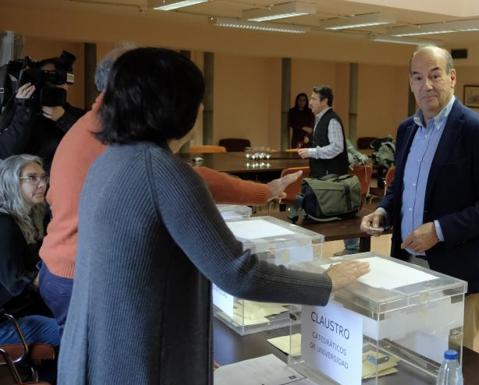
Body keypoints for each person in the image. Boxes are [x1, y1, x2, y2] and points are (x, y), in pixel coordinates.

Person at [57, 47, 369, 385]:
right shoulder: (165, 173)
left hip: (96, 358)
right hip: (138, 365)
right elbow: (238, 274)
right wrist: (326, 282)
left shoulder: (109, 161)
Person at [38, 47, 301, 332]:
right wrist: (264, 192)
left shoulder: (95, 126)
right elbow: (234, 269)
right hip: (82, 274)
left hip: (63, 266)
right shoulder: (118, 135)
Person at [360, 46, 479, 349]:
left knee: (449, 362)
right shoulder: (407, 129)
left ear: (452, 77)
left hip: (457, 274)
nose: (426, 85)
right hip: (406, 267)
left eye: (434, 75)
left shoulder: (477, 130)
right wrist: (383, 211)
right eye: (417, 77)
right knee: (407, 355)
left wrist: (439, 230)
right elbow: (401, 188)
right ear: (410, 83)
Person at [0, 154, 59, 347]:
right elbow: (15, 284)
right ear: (11, 182)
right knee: (74, 333)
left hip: (22, 312)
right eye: (32, 178)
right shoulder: (4, 224)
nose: (42, 184)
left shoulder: (29, 218)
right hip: (7, 321)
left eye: (43, 177)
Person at [296, 86, 356, 254]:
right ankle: (347, 248)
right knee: (329, 211)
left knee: (341, 213)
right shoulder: (321, 118)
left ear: (325, 101)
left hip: (332, 175)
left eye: (314, 99)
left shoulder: (332, 120)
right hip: (323, 175)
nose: (310, 103)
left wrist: (311, 151)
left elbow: (337, 147)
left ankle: (352, 248)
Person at [0, 52, 85, 170]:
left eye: (55, 78)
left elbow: (90, 142)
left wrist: (63, 118)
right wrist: (23, 109)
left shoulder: (75, 116)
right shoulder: (19, 108)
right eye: (43, 76)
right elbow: (6, 152)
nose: (50, 83)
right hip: (18, 182)